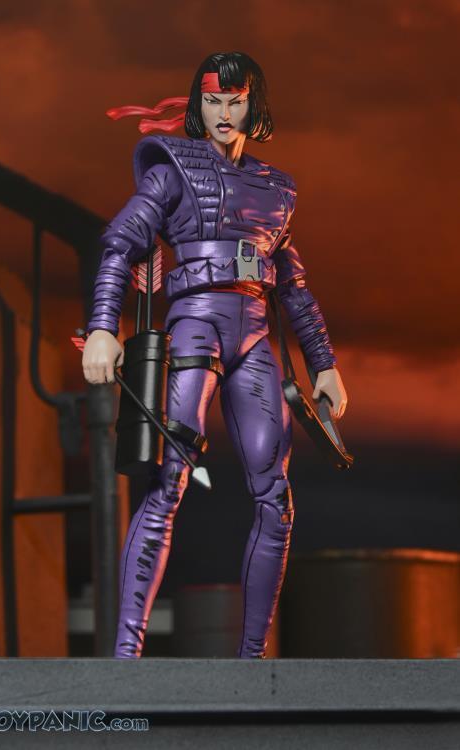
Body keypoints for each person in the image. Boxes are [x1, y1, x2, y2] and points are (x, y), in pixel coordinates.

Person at [82, 51, 348, 658]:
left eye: (235, 101)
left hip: (254, 335)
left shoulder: (276, 190)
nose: (223, 113)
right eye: (212, 101)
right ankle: (125, 660)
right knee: (168, 481)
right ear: (198, 104)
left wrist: (324, 363)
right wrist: (101, 327)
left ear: (254, 105)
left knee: (275, 498)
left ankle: (252, 664)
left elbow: (294, 287)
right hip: (195, 328)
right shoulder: (173, 170)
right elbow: (121, 244)